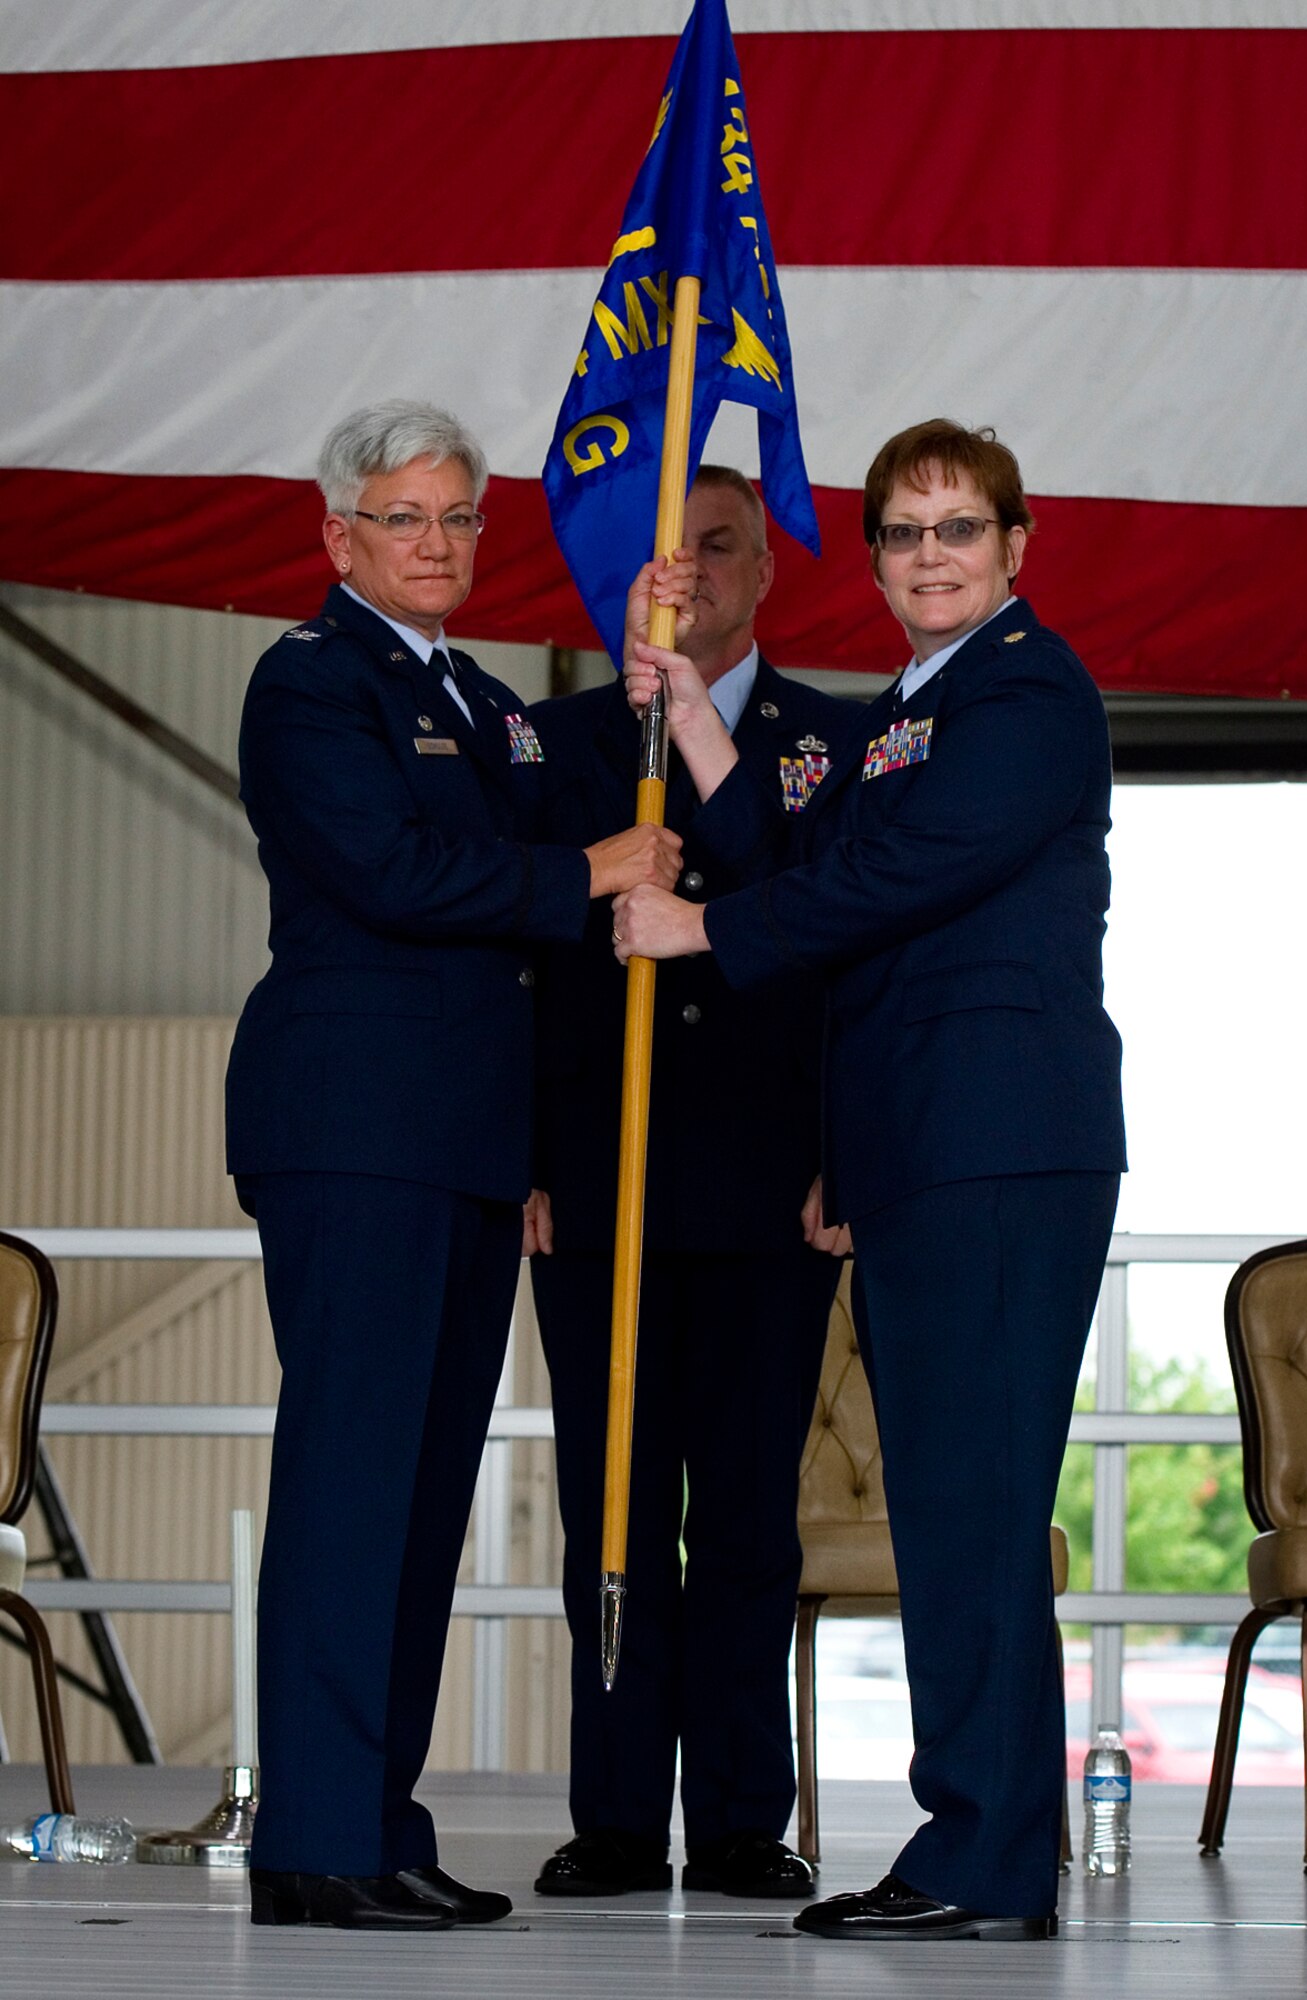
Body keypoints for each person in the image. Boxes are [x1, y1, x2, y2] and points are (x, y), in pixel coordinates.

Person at [612, 419, 1127, 1940]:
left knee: (968, 1508)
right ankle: (972, 1843)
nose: (925, 558)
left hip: (992, 1139)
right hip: (920, 1147)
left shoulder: (1026, 689)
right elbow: (808, 839)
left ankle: (976, 1861)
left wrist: (702, 935)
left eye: (955, 530)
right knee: (945, 1505)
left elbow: (901, 877)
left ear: (1014, 547)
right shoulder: (917, 705)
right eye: (900, 534)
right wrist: (696, 719)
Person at [224, 400, 680, 1932]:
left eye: (456, 520)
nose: (434, 543)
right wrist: (582, 878)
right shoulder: (308, 686)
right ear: (339, 536)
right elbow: (392, 872)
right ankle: (312, 1838)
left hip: (467, 1147)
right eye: (404, 518)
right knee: (355, 1484)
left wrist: (642, 677)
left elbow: (575, 787)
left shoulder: (479, 698)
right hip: (357, 1131)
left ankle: (370, 1820)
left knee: (419, 1499)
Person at [526, 469, 856, 1900]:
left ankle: (734, 1819)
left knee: (741, 1517)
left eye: (721, 548)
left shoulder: (830, 748)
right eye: (666, 554)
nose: (692, 574)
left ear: (764, 571)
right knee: (605, 1506)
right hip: (595, 1192)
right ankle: (611, 1817)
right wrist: (523, 1158)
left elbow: (848, 962)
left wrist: (846, 1144)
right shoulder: (546, 746)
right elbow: (511, 975)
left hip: (768, 1188)